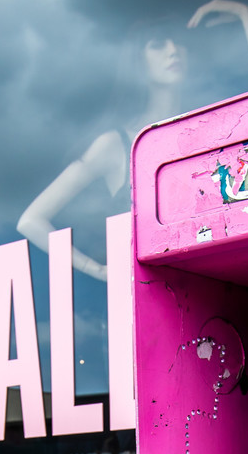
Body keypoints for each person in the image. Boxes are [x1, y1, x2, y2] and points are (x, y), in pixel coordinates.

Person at [15, 21, 192, 280]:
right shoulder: (116, 144)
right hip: (147, 297)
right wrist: (97, 270)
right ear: (138, 61)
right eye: (157, 45)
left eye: (179, 43)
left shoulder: (203, 130)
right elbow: (31, 220)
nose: (173, 51)